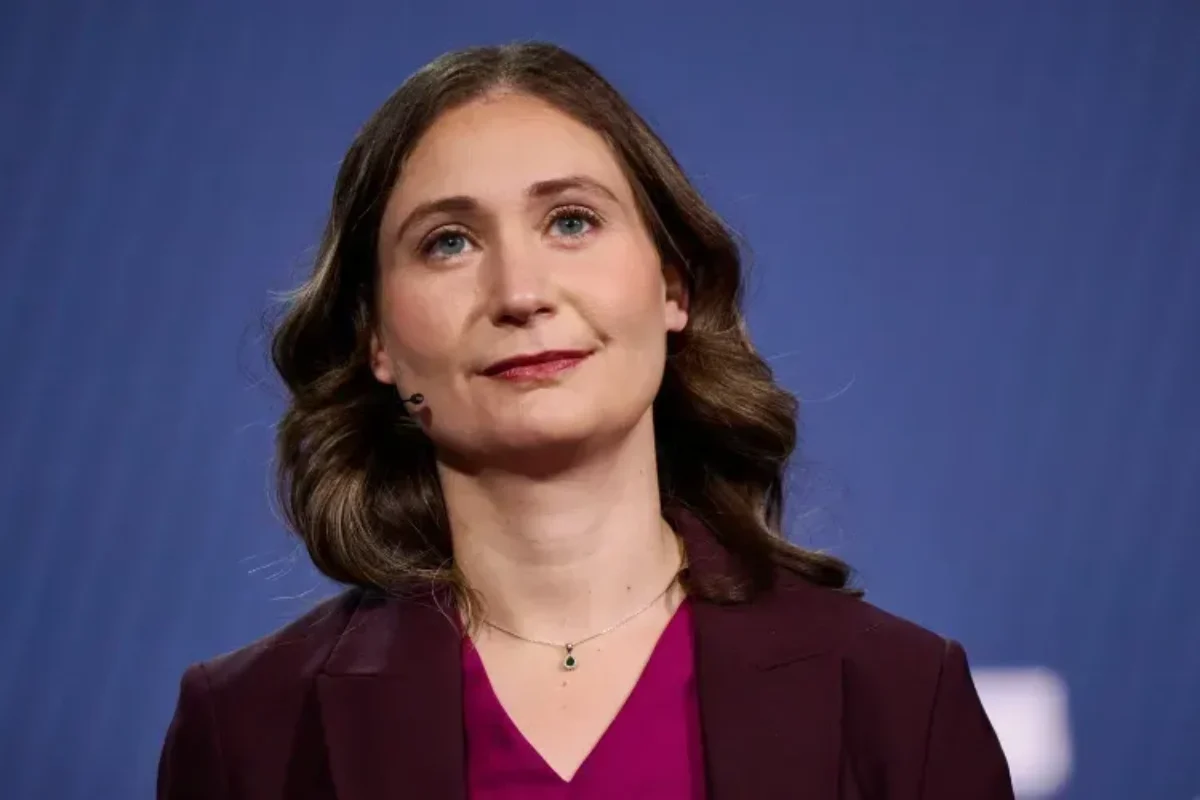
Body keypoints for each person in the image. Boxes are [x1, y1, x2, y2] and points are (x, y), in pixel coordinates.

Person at [157, 42, 1013, 799]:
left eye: (571, 221)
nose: (520, 294)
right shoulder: (246, 730)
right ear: (376, 337)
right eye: (448, 241)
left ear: (672, 287)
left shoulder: (899, 696)